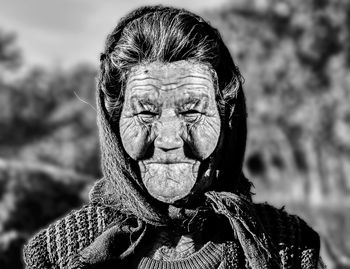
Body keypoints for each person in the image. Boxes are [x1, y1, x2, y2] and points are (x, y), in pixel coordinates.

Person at [23, 5, 324, 269]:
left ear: (225, 119)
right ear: (115, 121)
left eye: (192, 111)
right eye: (145, 114)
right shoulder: (60, 254)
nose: (169, 139)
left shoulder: (289, 247)